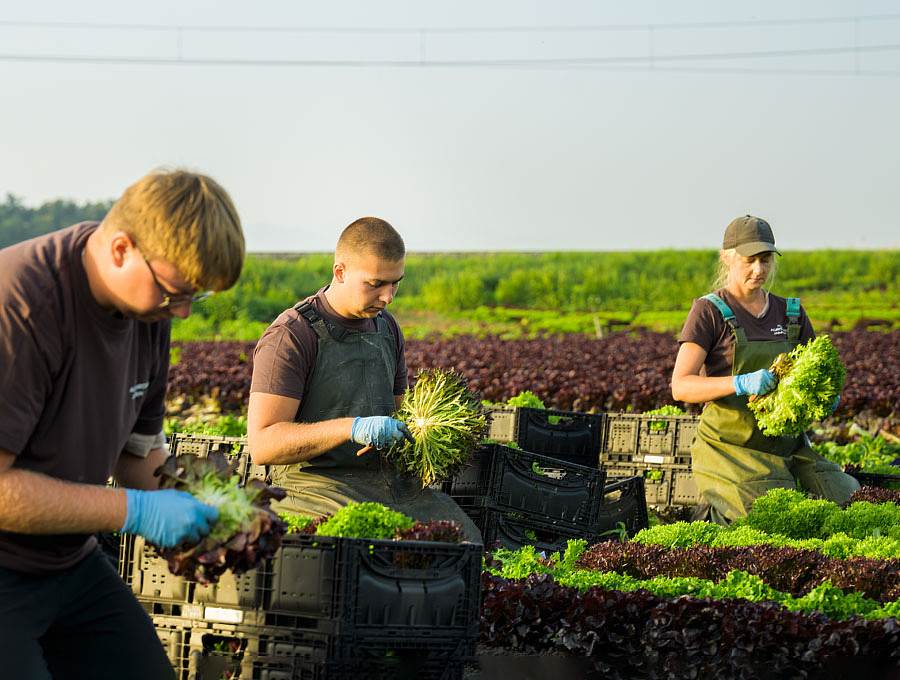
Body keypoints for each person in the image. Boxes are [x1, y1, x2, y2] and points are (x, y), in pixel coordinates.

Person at [0, 169, 246, 679]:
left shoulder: (148, 314)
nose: (182, 312)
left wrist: (209, 508)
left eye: (195, 297)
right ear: (121, 249)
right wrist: (135, 510)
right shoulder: (22, 304)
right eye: (175, 292)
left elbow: (139, 455)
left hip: (66, 559)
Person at [247, 217, 480, 540]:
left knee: (465, 539)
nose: (388, 297)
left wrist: (434, 428)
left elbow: (400, 412)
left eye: (395, 283)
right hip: (316, 486)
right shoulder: (292, 335)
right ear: (340, 272)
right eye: (375, 284)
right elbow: (263, 444)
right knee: (369, 543)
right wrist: (352, 428)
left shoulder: (387, 327)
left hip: (388, 483)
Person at [671, 215, 858, 525]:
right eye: (750, 260)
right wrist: (740, 383)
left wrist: (824, 398)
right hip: (729, 448)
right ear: (727, 258)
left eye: (766, 259)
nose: (759, 269)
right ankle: (712, 516)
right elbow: (681, 386)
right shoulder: (708, 311)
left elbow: (818, 369)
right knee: (772, 518)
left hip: (789, 447)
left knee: (846, 498)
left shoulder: (790, 313)